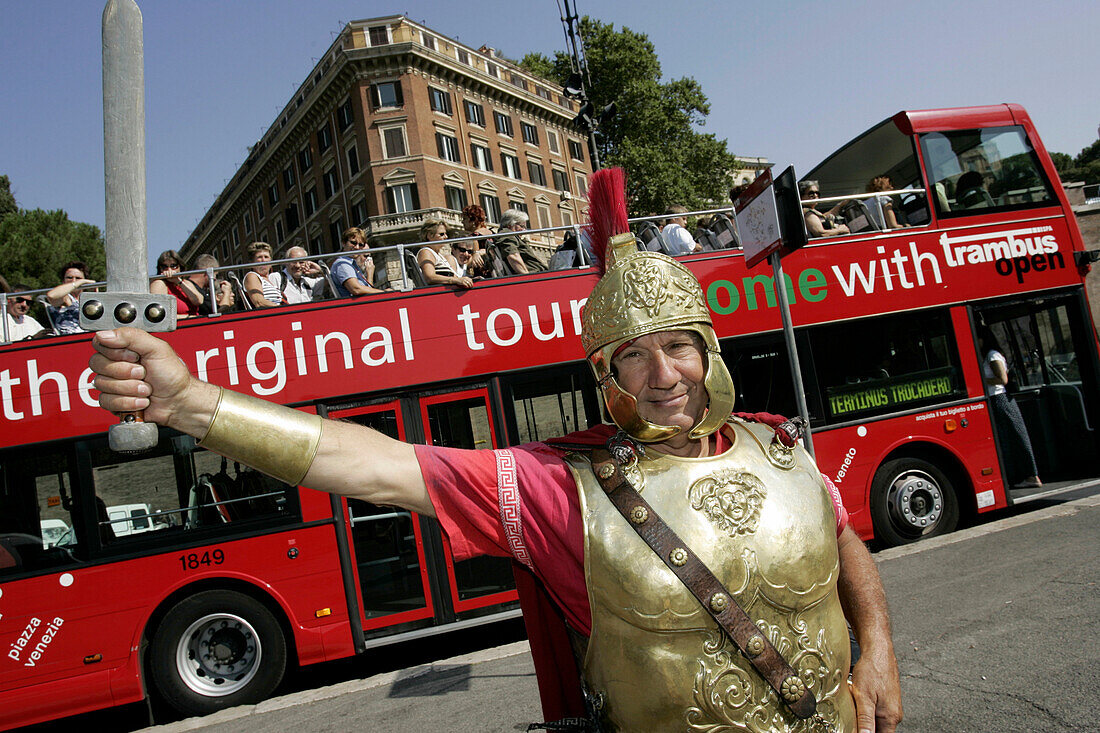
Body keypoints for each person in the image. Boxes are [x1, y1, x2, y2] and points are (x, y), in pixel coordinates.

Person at [89, 168, 901, 733]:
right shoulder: (558, 490)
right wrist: (193, 404)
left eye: (678, 347)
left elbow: (843, 543)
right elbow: (368, 462)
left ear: (709, 348)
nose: (664, 375)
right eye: (634, 356)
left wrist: (881, 655)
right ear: (605, 375)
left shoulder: (778, 446)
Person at [978, 326, 1041, 489]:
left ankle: (1031, 475)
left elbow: (1002, 379)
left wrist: (980, 380)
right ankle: (1018, 475)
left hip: (1001, 399)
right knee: (1005, 439)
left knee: (1016, 435)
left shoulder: (992, 355)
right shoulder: (986, 356)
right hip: (994, 399)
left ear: (983, 339)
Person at [330, 227, 387, 298]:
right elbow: (356, 289)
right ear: (344, 243)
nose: (357, 247)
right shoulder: (343, 264)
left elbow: (368, 292)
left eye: (361, 245)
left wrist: (369, 274)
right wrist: (384, 293)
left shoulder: (352, 264)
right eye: (353, 243)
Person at [416, 219, 473, 289]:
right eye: (442, 234)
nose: (446, 237)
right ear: (430, 235)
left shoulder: (438, 255)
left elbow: (456, 278)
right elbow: (430, 277)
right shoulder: (426, 252)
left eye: (446, 234)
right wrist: (456, 280)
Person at [150, 250, 203, 318]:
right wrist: (187, 317)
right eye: (165, 267)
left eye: (173, 266)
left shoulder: (185, 283)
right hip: (181, 324)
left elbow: (199, 301)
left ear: (180, 267)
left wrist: (178, 282)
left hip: (196, 322)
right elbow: (159, 315)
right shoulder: (159, 284)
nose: (169, 270)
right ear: (160, 269)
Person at [46, 261, 96, 334]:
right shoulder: (66, 298)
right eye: (69, 277)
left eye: (78, 278)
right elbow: (51, 295)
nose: (73, 280)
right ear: (63, 281)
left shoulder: (88, 299)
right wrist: (79, 282)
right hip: (71, 338)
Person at [497, 209, 547, 274]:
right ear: (510, 224)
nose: (524, 230)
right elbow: (513, 256)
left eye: (525, 227)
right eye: (521, 226)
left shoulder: (512, 236)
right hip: (537, 276)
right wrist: (527, 277)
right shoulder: (507, 234)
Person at [242, 242, 283, 308]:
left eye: (266, 257)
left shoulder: (272, 280)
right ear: (252, 262)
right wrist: (283, 308)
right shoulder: (252, 276)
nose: (263, 260)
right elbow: (259, 302)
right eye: (259, 257)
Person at [460, 204, 494, 278]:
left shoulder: (473, 237)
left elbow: (468, 262)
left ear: (473, 220)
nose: (462, 222)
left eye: (465, 219)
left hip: (482, 275)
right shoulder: (492, 233)